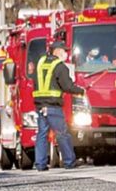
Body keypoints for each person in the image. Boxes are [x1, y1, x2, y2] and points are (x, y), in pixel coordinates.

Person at [32, 40, 84, 171]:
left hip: (40, 106)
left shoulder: (40, 63)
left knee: (42, 135)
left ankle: (40, 164)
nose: (66, 54)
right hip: (53, 106)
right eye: (64, 51)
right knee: (62, 134)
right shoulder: (60, 66)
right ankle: (69, 161)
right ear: (57, 52)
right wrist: (81, 91)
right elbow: (67, 86)